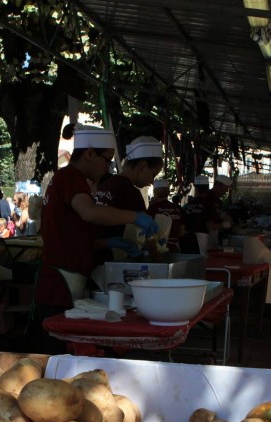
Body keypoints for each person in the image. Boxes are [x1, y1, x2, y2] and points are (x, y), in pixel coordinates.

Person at [31, 125, 159, 352]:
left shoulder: (68, 180)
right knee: (56, 356)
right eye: (106, 160)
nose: (107, 167)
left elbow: (72, 232)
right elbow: (89, 213)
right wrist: (135, 217)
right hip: (59, 283)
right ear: (89, 153)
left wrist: (108, 243)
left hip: (65, 279)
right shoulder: (70, 177)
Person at [93, 136, 164, 254]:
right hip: (113, 260)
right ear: (142, 166)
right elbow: (149, 241)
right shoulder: (130, 192)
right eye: (153, 174)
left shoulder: (106, 184)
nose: (152, 181)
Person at [147, 178, 185, 246]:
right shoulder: (178, 209)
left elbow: (148, 229)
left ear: (155, 192)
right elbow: (181, 232)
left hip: (157, 248)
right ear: (168, 192)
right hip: (174, 247)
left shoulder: (153, 208)